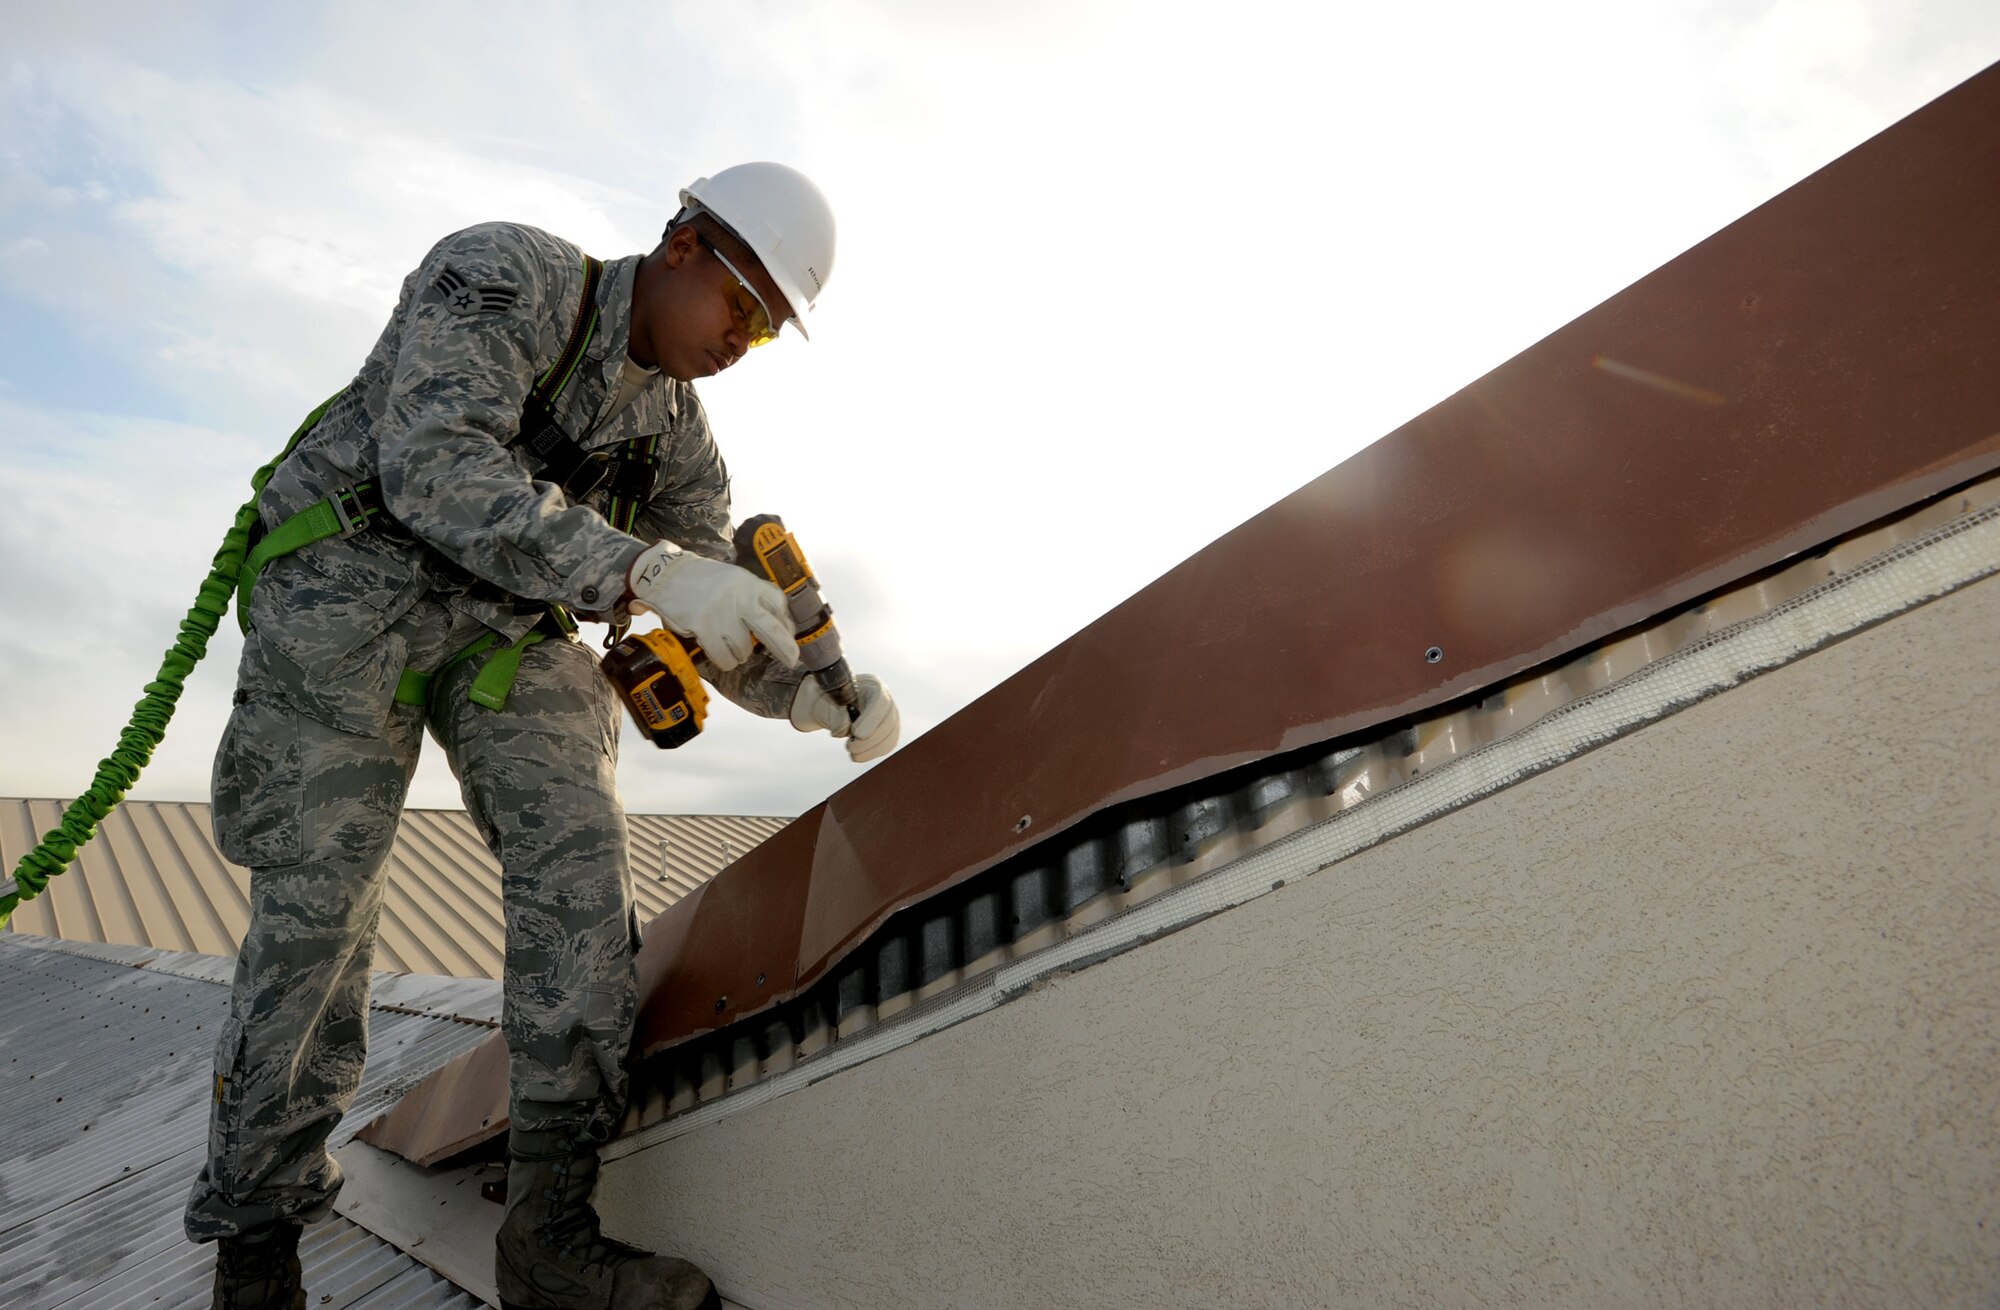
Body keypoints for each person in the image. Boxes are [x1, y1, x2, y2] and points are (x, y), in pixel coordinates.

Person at [185, 162, 898, 1310]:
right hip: (346, 592)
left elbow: (716, 599)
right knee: (318, 923)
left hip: (501, 632)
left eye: (768, 332)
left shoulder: (674, 434)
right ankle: (257, 1244)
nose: (742, 341)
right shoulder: (504, 274)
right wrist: (646, 568)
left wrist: (811, 694)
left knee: (581, 861)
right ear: (681, 244)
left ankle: (551, 1230)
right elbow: (434, 466)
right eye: (742, 305)